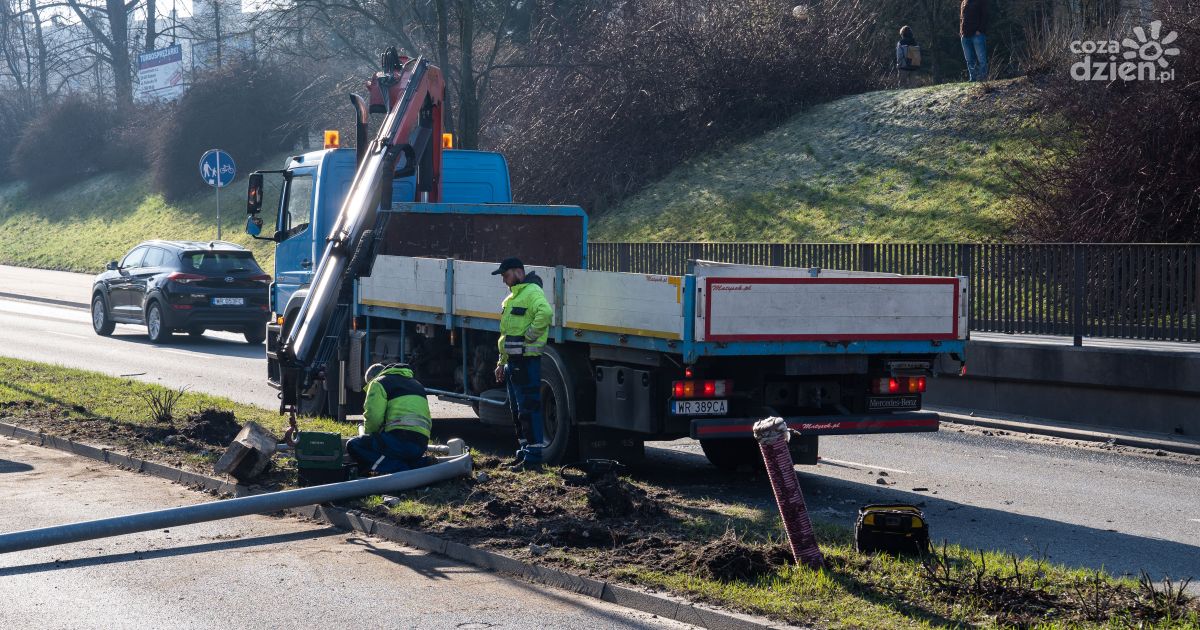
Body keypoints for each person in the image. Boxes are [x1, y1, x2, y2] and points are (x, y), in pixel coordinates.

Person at [491, 257, 552, 472]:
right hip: (514, 362)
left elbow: (545, 313)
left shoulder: (532, 292)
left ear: (518, 272)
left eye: (505, 275)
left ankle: (534, 457)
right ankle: (524, 452)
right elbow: (506, 336)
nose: (504, 281)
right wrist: (501, 363)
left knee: (528, 408)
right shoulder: (512, 297)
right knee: (517, 410)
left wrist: (529, 336)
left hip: (526, 362)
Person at [345, 363, 432, 474]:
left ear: (372, 379)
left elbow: (373, 418)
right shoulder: (417, 385)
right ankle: (421, 464)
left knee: (354, 445)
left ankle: (399, 469)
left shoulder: (378, 383)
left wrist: (368, 437)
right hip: (420, 445)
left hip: (400, 441)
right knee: (396, 453)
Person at [960, 0, 989, 82]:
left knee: (981, 59)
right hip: (965, 36)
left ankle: (983, 79)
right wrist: (961, 32)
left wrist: (980, 30)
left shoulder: (981, 1)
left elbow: (985, 16)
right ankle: (973, 78)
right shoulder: (963, 2)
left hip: (977, 35)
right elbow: (961, 18)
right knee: (969, 59)